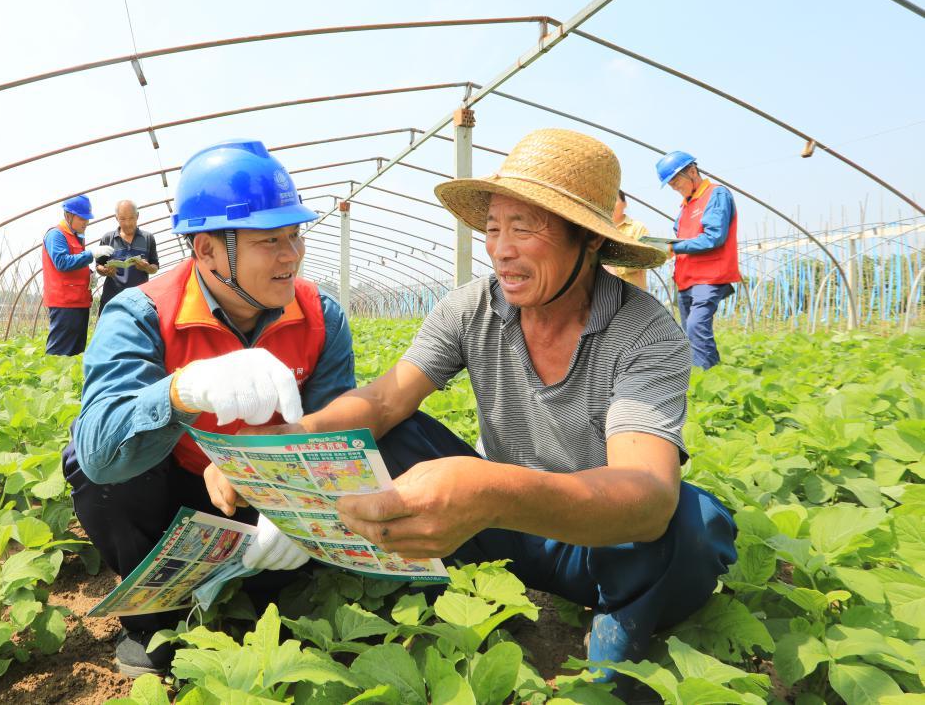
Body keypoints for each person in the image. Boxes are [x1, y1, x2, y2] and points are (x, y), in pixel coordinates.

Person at [206, 129, 738, 695]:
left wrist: (489, 488)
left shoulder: (644, 330)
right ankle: (456, 607)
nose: (500, 248)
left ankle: (619, 627)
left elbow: (645, 499)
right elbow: (385, 400)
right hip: (497, 532)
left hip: (596, 542)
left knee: (691, 522)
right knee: (395, 433)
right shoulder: (471, 308)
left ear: (587, 239)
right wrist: (278, 445)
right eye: (492, 228)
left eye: (525, 228)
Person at [61, 139, 358, 677]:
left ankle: (269, 597)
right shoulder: (142, 312)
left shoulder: (321, 316)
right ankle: (154, 624)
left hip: (270, 502)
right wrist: (181, 391)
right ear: (206, 250)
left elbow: (337, 434)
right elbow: (101, 446)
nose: (291, 254)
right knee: (92, 466)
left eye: (295, 235)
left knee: (280, 586)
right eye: (270, 240)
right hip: (177, 489)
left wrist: (293, 498)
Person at [655, 151, 741, 369]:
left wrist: (674, 246)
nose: (675, 189)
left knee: (696, 326)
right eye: (671, 185)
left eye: (676, 182)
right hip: (686, 278)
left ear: (692, 171)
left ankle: (709, 377)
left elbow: (714, 237)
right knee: (689, 334)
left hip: (709, 277)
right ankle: (706, 379)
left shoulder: (716, 194)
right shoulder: (685, 205)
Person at [41, 195, 113, 356]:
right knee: (60, 351)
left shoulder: (76, 237)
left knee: (76, 350)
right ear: (68, 215)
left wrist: (89, 274)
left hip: (79, 301)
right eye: (82, 219)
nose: (86, 223)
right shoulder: (56, 235)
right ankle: (51, 380)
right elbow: (62, 262)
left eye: (87, 219)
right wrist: (91, 254)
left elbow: (75, 264)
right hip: (64, 303)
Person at [96, 199, 160, 317]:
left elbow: (155, 266)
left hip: (139, 301)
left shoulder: (148, 238)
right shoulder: (107, 238)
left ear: (137, 216)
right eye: (123, 219)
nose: (127, 223)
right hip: (112, 299)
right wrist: (105, 271)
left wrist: (147, 268)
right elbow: (98, 266)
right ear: (116, 218)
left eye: (131, 218)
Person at [604, 190, 650, 290]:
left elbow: (644, 258)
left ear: (625, 204)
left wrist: (613, 266)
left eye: (614, 199)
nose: (611, 204)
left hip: (633, 293)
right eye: (608, 200)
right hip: (606, 293)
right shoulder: (600, 229)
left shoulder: (637, 228)